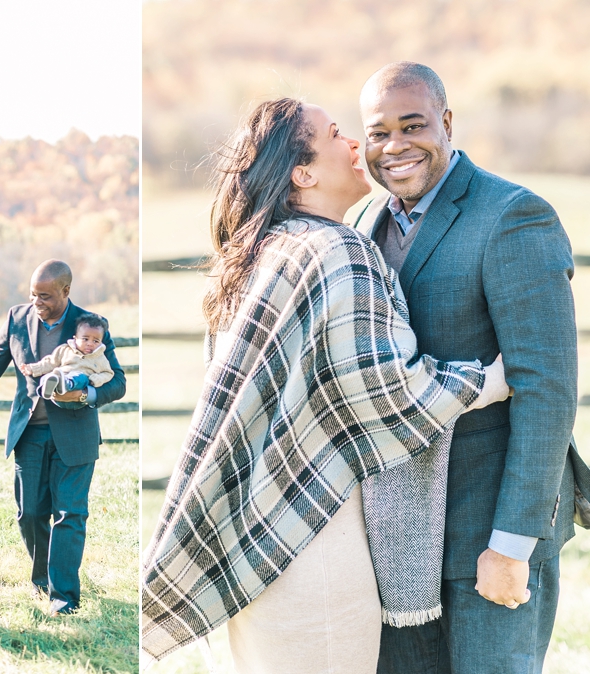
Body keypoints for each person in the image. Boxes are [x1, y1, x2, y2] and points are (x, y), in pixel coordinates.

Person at [140, 98, 512, 673]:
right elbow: (387, 391)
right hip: (312, 532)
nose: (356, 145)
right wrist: (488, 381)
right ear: (304, 173)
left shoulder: (265, 250)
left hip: (252, 534)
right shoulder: (337, 250)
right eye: (337, 134)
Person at [354, 61, 590, 674]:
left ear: (447, 122)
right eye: (378, 133)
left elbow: (548, 390)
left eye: (413, 125)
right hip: (397, 536)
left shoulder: (511, 216)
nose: (395, 146)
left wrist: (512, 545)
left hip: (486, 529)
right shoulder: (361, 224)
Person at [0, 260, 126, 616]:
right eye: (33, 294)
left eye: (45, 295)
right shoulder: (16, 319)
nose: (36, 301)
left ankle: (64, 597)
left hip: (76, 435)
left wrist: (86, 397)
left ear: (66, 292)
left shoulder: (90, 326)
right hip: (30, 434)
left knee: (70, 515)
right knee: (30, 513)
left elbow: (117, 382)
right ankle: (42, 581)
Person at [18, 312, 114, 408]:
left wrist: (95, 379)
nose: (90, 343)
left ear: (101, 342)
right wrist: (33, 368)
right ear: (75, 338)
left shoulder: (99, 357)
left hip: (77, 395)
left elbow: (108, 373)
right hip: (57, 395)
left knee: (79, 376)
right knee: (50, 376)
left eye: (95, 341)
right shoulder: (65, 349)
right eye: (85, 339)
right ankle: (47, 388)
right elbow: (51, 362)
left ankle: (65, 384)